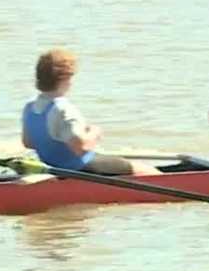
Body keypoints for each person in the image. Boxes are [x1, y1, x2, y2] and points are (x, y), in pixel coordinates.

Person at [22, 48, 160, 176]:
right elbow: (81, 147)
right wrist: (94, 132)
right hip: (81, 168)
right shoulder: (63, 108)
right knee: (146, 170)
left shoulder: (30, 107)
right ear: (65, 78)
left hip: (54, 168)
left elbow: (28, 143)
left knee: (111, 160)